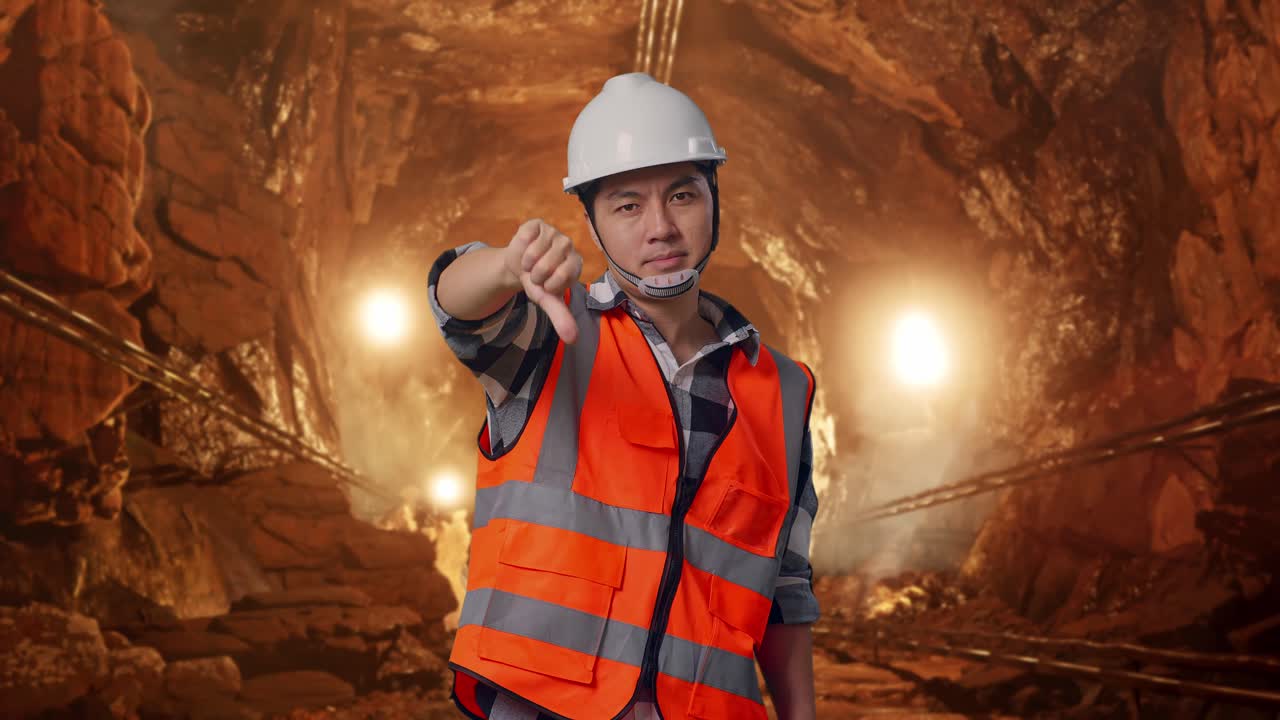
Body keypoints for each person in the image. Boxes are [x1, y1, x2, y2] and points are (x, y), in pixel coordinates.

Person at [430, 72, 820, 720]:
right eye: (627, 205)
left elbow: (785, 588)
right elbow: (456, 310)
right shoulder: (548, 337)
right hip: (545, 706)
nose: (661, 227)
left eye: (683, 195)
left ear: (715, 200)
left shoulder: (782, 390)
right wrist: (504, 266)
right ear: (591, 221)